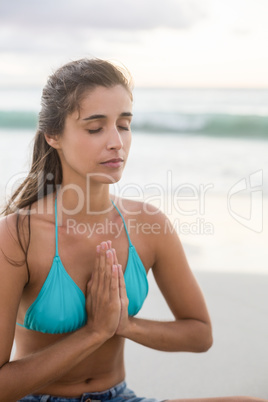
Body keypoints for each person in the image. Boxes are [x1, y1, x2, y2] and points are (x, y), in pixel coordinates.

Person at [0, 58, 265, 402]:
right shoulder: (17, 236)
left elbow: (199, 334)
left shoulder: (149, 225)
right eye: (95, 128)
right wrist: (95, 332)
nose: (116, 142)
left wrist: (126, 325)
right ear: (53, 135)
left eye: (123, 125)